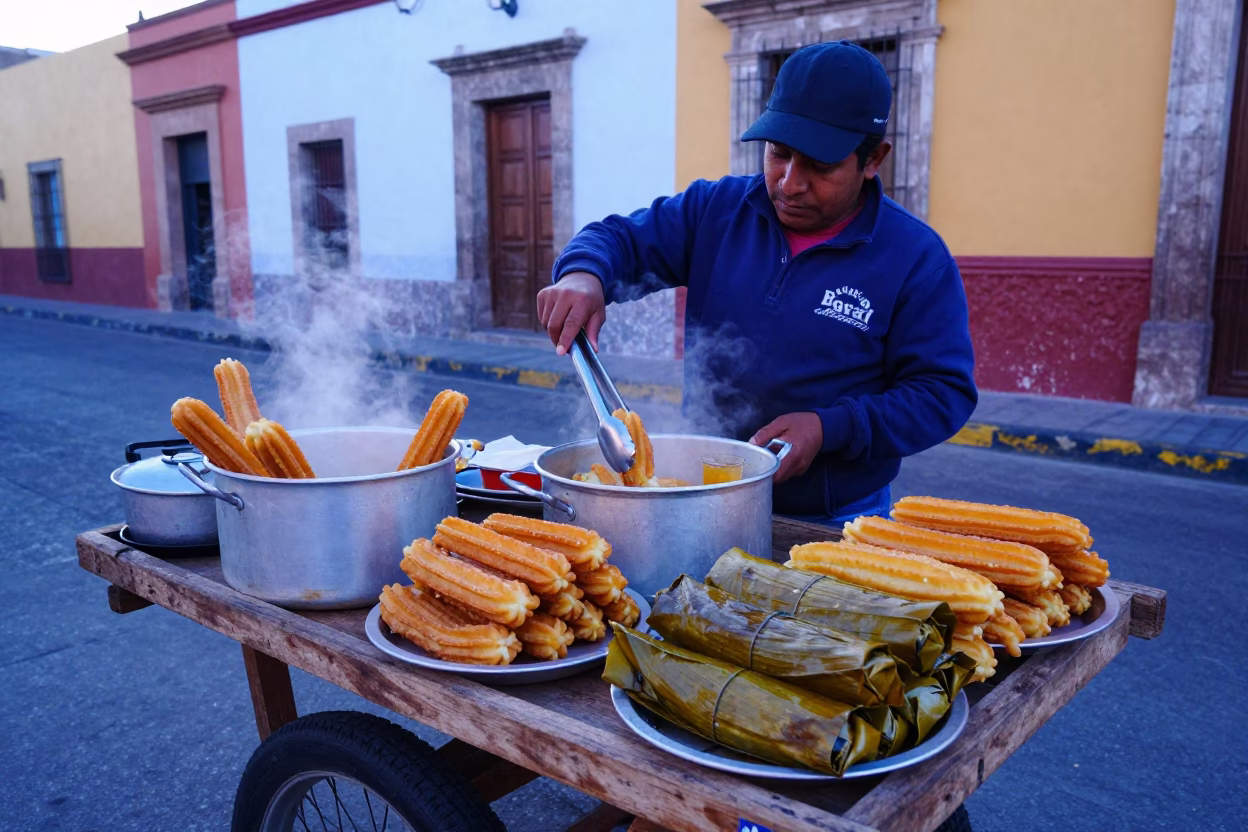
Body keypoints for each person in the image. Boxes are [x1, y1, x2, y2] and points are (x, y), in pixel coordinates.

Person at [537, 40, 977, 526]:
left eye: (820, 165)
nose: (790, 182)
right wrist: (585, 274)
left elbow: (942, 393)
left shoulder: (915, 256)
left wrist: (831, 428)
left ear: (873, 160)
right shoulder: (716, 210)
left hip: (835, 518)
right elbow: (616, 238)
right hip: (705, 500)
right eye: (779, 154)